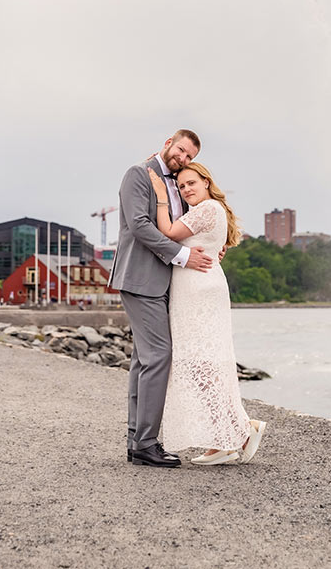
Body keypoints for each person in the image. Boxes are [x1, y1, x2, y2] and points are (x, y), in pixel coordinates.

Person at [148, 162, 267, 465]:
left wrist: (161, 194)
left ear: (206, 182)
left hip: (199, 292)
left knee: (204, 367)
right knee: (205, 367)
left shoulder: (206, 208)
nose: (187, 190)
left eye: (191, 183)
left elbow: (169, 232)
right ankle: (235, 433)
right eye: (182, 186)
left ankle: (232, 435)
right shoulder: (212, 210)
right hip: (197, 290)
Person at [109, 130, 213, 468]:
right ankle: (147, 444)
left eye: (189, 158)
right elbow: (139, 225)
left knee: (143, 360)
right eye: (181, 150)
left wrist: (213, 247)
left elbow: (184, 225)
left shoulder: (177, 185)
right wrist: (183, 256)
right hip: (140, 279)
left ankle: (136, 440)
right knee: (159, 357)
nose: (182, 160)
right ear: (169, 141)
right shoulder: (137, 174)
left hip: (162, 282)